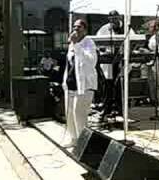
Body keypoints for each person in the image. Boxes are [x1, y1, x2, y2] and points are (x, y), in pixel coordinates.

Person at [62, 19, 97, 147]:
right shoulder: (72, 44)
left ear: (85, 30)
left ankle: (84, 143)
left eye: (79, 27)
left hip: (84, 86)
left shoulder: (89, 43)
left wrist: (76, 45)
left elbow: (90, 62)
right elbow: (69, 64)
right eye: (74, 27)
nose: (75, 29)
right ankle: (74, 139)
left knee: (79, 113)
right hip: (70, 84)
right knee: (69, 113)